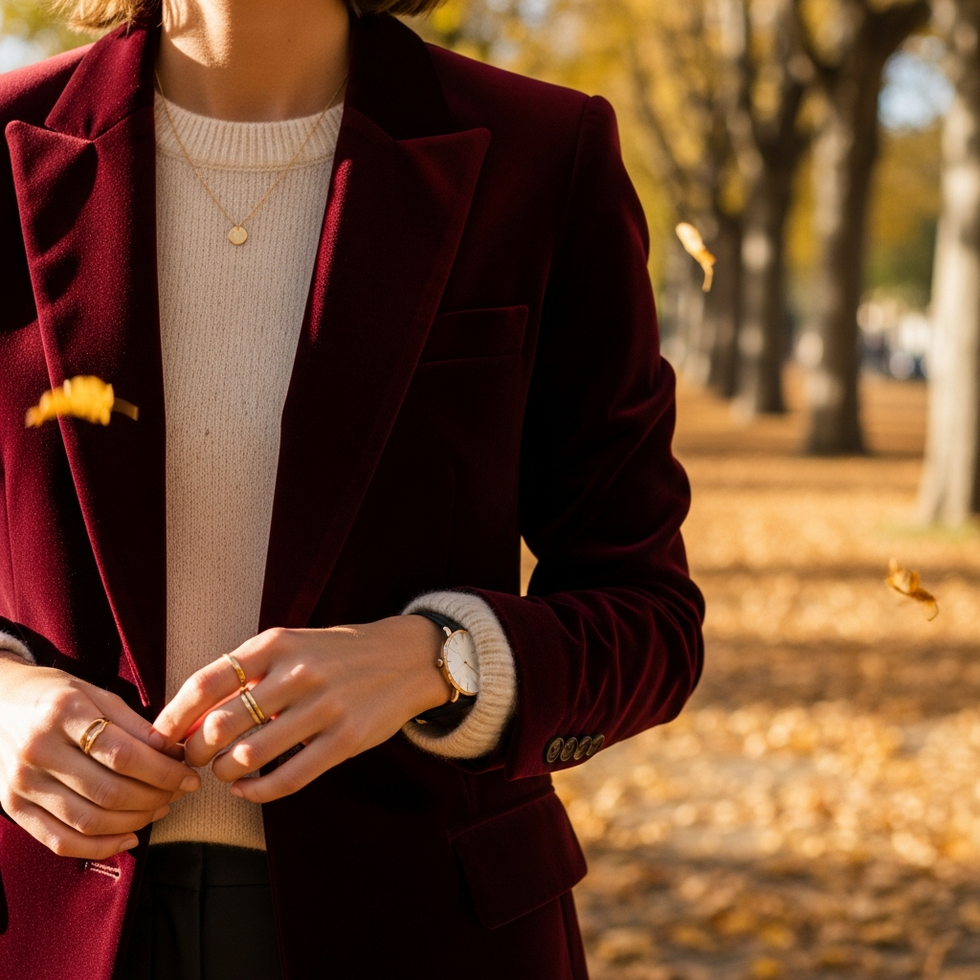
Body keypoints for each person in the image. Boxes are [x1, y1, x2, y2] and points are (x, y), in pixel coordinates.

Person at [0, 0, 705, 975]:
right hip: (35, 922)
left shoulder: (544, 156)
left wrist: (439, 655)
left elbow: (648, 615)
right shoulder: (0, 153)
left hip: (426, 927)